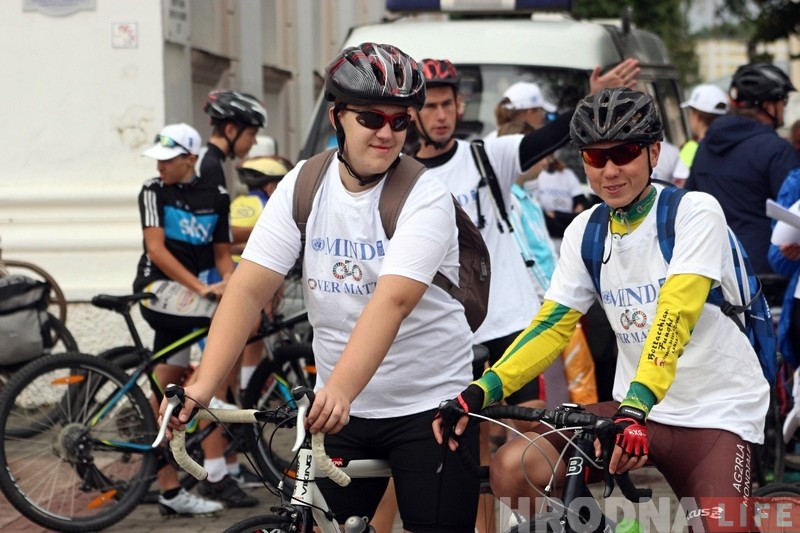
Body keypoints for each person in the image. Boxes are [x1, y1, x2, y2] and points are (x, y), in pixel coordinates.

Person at [161, 42, 481, 532]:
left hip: (427, 406)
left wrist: (340, 390)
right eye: (372, 118)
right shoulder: (304, 185)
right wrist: (201, 387)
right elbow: (246, 290)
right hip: (343, 410)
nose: (388, 133)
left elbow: (391, 302)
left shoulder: (426, 197)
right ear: (338, 116)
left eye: (400, 121)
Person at [435, 87, 770, 532]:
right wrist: (482, 391)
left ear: (654, 151)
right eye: (595, 158)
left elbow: (676, 311)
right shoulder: (585, 231)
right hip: (638, 415)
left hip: (714, 412)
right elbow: (551, 328)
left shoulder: (693, 212)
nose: (610, 171)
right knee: (513, 469)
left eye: (625, 153)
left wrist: (635, 405)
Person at [412, 57, 639, 411]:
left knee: (526, 426)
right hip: (450, 329)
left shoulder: (486, 155)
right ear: (413, 113)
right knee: (471, 430)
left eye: (447, 104)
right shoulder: (405, 177)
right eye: (429, 107)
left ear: (459, 106)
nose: (440, 116)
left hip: (511, 317)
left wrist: (590, 100)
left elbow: (546, 139)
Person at [134, 123, 235, 516]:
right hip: (158, 290)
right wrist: (205, 289)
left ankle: (170, 490)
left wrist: (229, 283)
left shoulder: (218, 196)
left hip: (191, 298)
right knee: (225, 319)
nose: (159, 166)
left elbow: (223, 254)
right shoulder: (153, 191)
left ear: (189, 159)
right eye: (157, 159)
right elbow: (156, 250)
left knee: (164, 394)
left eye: (167, 159)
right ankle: (216, 396)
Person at [685, 62, 799, 274]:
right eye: (783, 101)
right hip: (767, 274)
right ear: (767, 105)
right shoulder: (777, 150)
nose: (784, 107)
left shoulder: (704, 147)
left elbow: (688, 202)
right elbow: (794, 214)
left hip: (713, 266)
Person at [678, 83, 728, 169]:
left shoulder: (690, 150)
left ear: (697, 116)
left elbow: (680, 181)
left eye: (690, 112)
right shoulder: (734, 146)